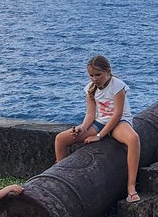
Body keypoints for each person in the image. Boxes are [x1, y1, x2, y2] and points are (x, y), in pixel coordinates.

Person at [54, 54, 141, 203]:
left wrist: (100, 136)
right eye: (91, 75)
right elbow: (90, 113)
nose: (95, 78)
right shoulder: (90, 89)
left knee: (133, 139)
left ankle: (131, 186)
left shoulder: (117, 86)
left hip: (119, 122)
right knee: (61, 139)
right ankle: (60, 178)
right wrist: (82, 127)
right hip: (99, 122)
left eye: (98, 75)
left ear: (108, 71)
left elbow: (117, 114)